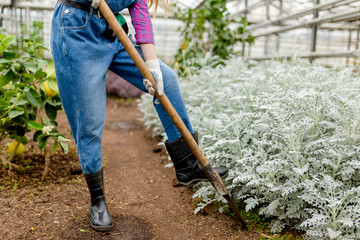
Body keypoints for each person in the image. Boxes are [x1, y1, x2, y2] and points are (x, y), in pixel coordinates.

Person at [51, 0, 228, 232]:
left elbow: (141, 15)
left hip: (111, 30)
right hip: (76, 32)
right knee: (90, 122)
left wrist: (152, 65)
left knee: (168, 80)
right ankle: (98, 200)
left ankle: (187, 164)